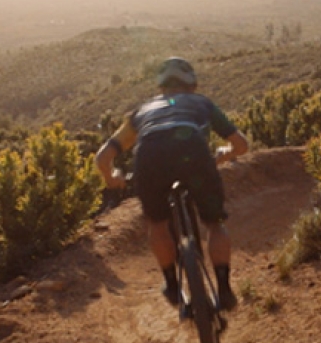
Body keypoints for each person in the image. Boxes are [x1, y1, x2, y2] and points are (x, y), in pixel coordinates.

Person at [96, 56, 249, 311]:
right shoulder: (202, 103)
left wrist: (111, 177)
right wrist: (225, 154)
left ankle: (171, 285)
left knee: (157, 224)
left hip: (150, 156)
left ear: (160, 86)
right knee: (214, 224)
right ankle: (224, 290)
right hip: (194, 151)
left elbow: (103, 157)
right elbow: (241, 144)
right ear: (192, 85)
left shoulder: (141, 112)